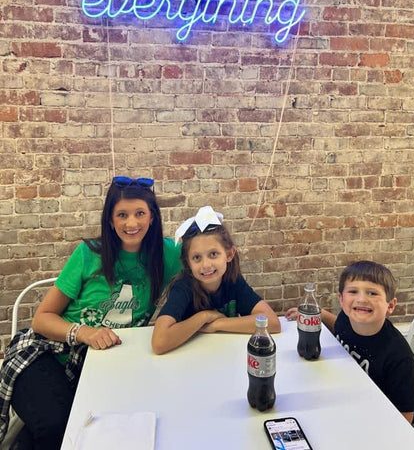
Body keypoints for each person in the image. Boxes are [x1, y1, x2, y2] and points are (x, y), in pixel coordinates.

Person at [0, 176, 182, 450]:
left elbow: (206, 259)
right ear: (110, 220)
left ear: (152, 217)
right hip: (49, 353)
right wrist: (85, 333)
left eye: (140, 213)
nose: (131, 223)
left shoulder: (166, 254)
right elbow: (42, 318)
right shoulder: (88, 254)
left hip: (110, 363)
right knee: (57, 425)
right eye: (122, 215)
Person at [285, 260, 414, 423]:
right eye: (353, 291)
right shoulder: (345, 319)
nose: (361, 299)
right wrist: (319, 313)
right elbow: (338, 326)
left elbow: (407, 416)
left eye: (372, 293)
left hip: (375, 419)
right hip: (343, 401)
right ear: (341, 299)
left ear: (390, 305)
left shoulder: (400, 358)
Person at [151, 205, 281, 355]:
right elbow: (159, 343)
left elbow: (272, 322)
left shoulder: (233, 281)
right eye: (197, 258)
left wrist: (217, 324)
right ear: (188, 263)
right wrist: (204, 316)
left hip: (225, 354)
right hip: (190, 357)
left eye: (213, 254)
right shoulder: (183, 287)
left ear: (229, 254)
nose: (206, 265)